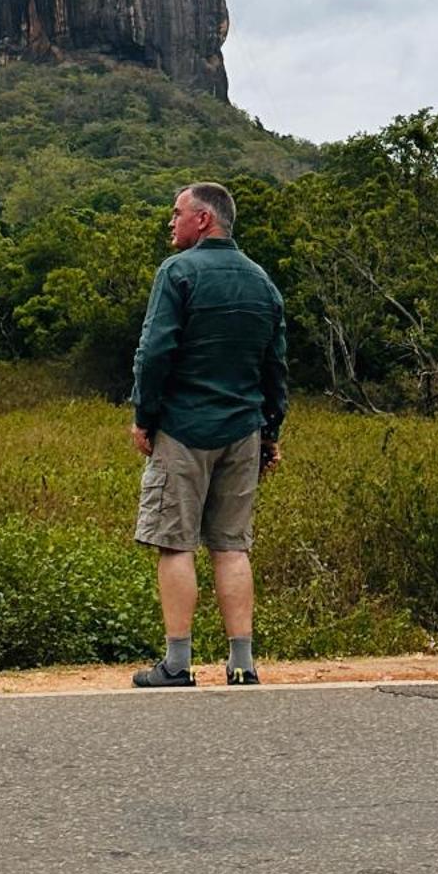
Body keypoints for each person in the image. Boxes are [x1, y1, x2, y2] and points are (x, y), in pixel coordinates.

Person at [128, 181, 287, 688]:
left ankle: (177, 663)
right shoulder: (263, 282)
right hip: (244, 429)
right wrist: (271, 431)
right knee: (231, 546)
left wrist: (144, 416)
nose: (170, 223)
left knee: (175, 544)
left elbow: (155, 352)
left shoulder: (177, 273)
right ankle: (242, 663)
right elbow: (275, 365)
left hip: (183, 427)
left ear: (203, 219)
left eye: (176, 213)